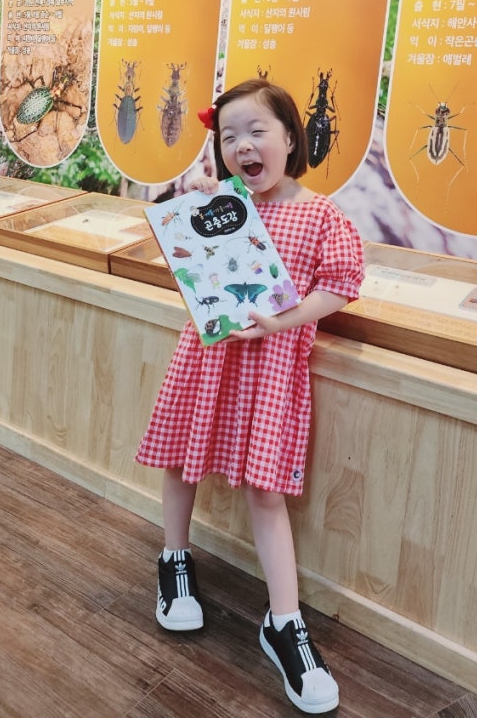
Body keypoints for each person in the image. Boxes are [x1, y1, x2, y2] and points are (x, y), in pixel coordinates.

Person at [135, 78, 364, 714]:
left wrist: (282, 321)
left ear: (290, 137)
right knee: (182, 458)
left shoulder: (320, 215)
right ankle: (173, 560)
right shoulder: (223, 201)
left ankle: (284, 622)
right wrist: (192, 206)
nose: (242, 146)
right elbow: (187, 262)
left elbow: (343, 283)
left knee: (267, 491)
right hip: (208, 356)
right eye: (229, 136)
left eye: (257, 131)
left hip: (271, 369)